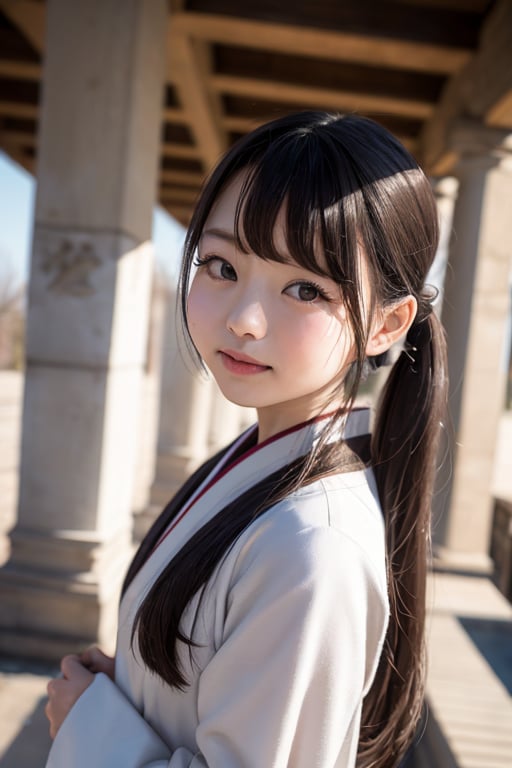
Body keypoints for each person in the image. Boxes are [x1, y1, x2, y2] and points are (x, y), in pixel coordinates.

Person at [45, 111, 448, 768]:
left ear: (385, 325)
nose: (243, 320)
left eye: (304, 288)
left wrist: (89, 728)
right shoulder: (261, 463)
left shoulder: (314, 546)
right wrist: (136, 687)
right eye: (222, 266)